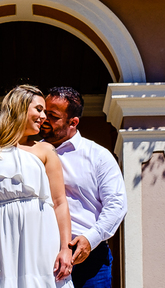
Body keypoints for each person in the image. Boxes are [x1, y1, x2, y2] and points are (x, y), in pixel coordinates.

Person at [0, 85, 74, 287]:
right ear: (20, 108)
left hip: (42, 240)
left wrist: (65, 249)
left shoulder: (46, 151)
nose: (44, 117)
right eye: (39, 109)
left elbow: (60, 203)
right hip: (1, 243)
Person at [42, 87, 126, 288]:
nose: (43, 119)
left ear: (73, 122)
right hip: (43, 255)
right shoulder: (29, 155)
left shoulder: (98, 156)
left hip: (89, 259)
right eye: (43, 112)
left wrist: (90, 239)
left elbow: (116, 205)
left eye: (52, 116)